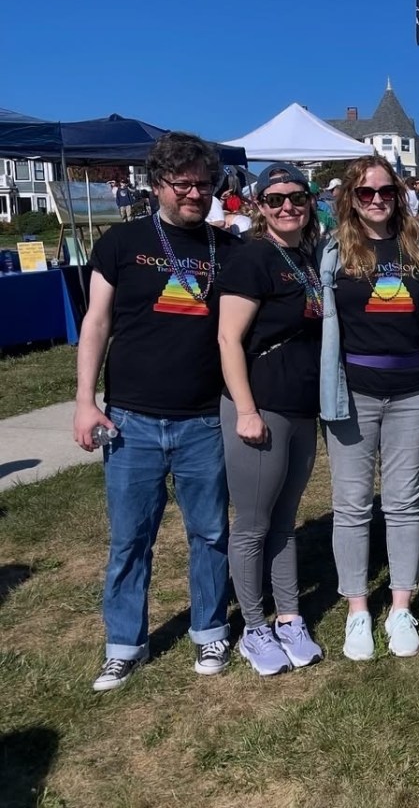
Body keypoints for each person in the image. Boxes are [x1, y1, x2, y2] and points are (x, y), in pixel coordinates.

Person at [73, 133, 240, 691]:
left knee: (210, 533)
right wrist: (84, 401)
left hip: (202, 419)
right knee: (130, 538)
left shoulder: (227, 248)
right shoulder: (121, 242)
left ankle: (211, 629)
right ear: (157, 184)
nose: (196, 193)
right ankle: (124, 644)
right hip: (132, 420)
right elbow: (96, 323)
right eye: (184, 183)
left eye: (205, 184)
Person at [319, 155, 419, 660]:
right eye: (365, 193)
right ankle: (357, 611)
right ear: (350, 198)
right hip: (354, 393)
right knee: (350, 505)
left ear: (398, 195)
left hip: (410, 390)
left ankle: (401, 606)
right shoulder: (333, 253)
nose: (376, 201)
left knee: (404, 501)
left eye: (385, 191)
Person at [217, 164, 324, 676]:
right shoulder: (252, 258)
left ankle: (288, 617)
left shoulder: (306, 257)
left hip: (303, 407)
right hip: (261, 407)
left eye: (297, 198)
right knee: (254, 525)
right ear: (258, 205)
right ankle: (254, 627)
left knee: (284, 521)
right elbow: (228, 338)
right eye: (276, 198)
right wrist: (244, 410)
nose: (288, 206)